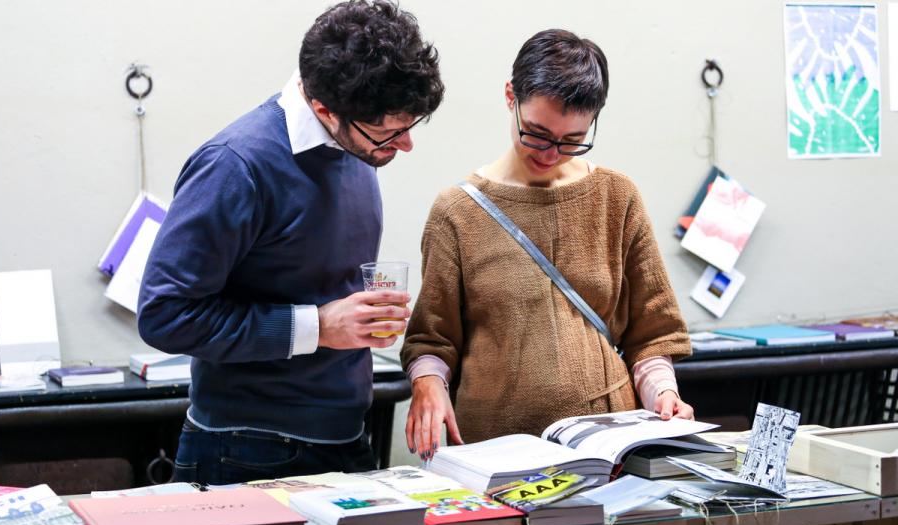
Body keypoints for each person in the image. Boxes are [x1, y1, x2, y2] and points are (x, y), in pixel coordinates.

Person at [137, 0, 443, 485]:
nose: (405, 145)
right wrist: (319, 326)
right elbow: (164, 314)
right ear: (324, 108)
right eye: (389, 132)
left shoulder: (355, 145)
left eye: (409, 126)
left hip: (344, 435)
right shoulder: (235, 165)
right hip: (244, 446)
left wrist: (356, 317)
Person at [401, 29, 693, 461]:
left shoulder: (617, 197)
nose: (551, 153)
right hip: (495, 448)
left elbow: (652, 333)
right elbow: (432, 337)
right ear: (509, 97)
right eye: (536, 134)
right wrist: (427, 384)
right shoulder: (457, 211)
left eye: (572, 139)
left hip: (606, 449)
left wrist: (662, 393)